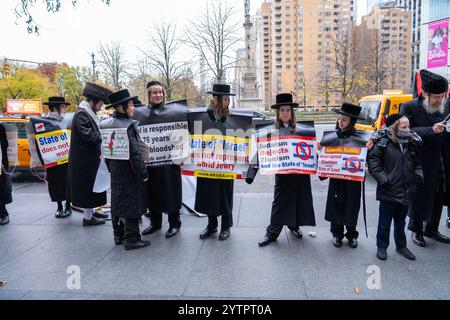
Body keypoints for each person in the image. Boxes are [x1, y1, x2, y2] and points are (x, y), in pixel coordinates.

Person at [248, 93, 316, 247]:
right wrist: (251, 173)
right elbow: (261, 152)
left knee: (299, 201)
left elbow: (309, 150)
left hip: (300, 174)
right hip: (282, 175)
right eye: (282, 110)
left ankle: (294, 226)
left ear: (292, 112)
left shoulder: (303, 129)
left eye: (287, 110)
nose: (285, 113)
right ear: (278, 113)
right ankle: (272, 233)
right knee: (279, 202)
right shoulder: (271, 131)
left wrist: (317, 155)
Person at [400, 69, 450, 247]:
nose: (439, 100)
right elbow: (402, 133)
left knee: (439, 195)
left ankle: (432, 229)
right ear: (424, 93)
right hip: (420, 160)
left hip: (442, 159)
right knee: (420, 196)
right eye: (436, 97)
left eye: (443, 96)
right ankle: (416, 230)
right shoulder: (409, 107)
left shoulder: (443, 107)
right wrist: (431, 130)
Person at [368, 114, 423, 261]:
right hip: (389, 190)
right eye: (404, 127)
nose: (408, 129)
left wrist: (418, 176)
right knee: (384, 223)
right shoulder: (383, 142)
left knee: (401, 222)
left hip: (407, 190)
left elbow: (417, 162)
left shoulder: (411, 142)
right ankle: (382, 247)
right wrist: (385, 180)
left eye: (408, 126)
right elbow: (374, 163)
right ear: (394, 128)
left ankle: (401, 246)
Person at [101, 89, 150, 250]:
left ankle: (118, 235)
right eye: (130, 105)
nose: (133, 108)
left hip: (115, 171)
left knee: (117, 203)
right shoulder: (128, 126)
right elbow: (135, 153)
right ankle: (132, 238)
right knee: (131, 204)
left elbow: (105, 151)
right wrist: (143, 173)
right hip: (130, 172)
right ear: (122, 107)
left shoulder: (106, 124)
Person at [140, 81, 183, 239]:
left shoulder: (174, 112)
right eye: (154, 92)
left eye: (160, 92)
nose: (158, 95)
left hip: (170, 163)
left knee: (171, 192)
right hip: (152, 164)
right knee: (153, 193)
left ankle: (174, 224)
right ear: (149, 95)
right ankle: (155, 223)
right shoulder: (141, 114)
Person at [321, 103, 365, 249]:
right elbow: (324, 160)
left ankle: (351, 235)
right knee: (336, 205)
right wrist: (321, 151)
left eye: (344, 119)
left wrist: (369, 150)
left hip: (352, 181)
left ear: (352, 122)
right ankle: (336, 234)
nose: (340, 121)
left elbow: (367, 159)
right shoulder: (331, 137)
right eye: (339, 119)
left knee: (352, 206)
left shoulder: (361, 139)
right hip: (336, 180)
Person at [196, 84, 237, 241]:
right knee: (209, 193)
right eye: (225, 99)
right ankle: (212, 225)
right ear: (216, 99)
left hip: (225, 164)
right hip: (207, 163)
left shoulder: (233, 118)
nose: (227, 101)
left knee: (225, 194)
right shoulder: (203, 116)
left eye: (228, 98)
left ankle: (226, 226)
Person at [68, 82, 112, 226]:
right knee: (87, 189)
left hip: (88, 160)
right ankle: (88, 218)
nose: (101, 106)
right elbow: (88, 136)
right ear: (92, 101)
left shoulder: (87, 113)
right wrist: (105, 136)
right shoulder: (82, 114)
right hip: (83, 162)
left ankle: (91, 213)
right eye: (100, 103)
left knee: (92, 188)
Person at [42, 96, 72, 218]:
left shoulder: (67, 121)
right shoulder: (44, 121)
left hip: (66, 158)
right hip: (52, 159)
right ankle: (59, 206)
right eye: (63, 106)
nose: (65, 109)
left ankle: (68, 206)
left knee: (68, 182)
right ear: (55, 107)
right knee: (54, 183)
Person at [0, 123, 12, 225]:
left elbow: (5, 144)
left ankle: (4, 214)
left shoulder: (0, 127)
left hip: (1, 164)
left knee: (1, 189)